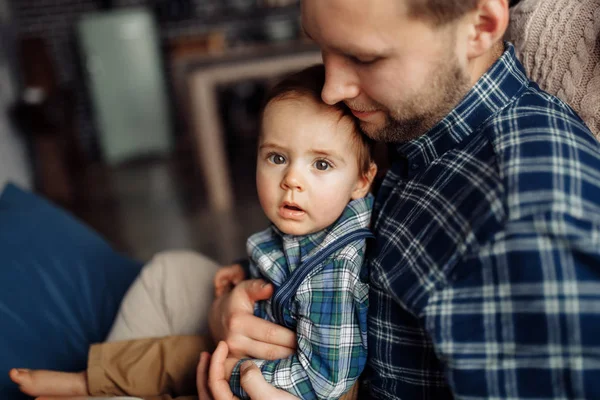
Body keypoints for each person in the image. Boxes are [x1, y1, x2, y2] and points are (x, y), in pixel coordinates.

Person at [203, 0, 600, 398]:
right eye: (322, 44)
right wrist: (230, 313)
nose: (332, 90)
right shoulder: (411, 117)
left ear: (480, 26)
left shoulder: (525, 221)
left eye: (364, 57)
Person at [9, 65, 377, 400]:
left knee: (187, 363)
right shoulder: (315, 218)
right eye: (277, 157)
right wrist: (242, 269)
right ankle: (86, 382)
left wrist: (239, 374)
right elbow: (285, 262)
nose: (292, 180)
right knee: (174, 354)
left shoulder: (334, 274)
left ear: (362, 180)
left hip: (286, 386)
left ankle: (96, 387)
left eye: (322, 164)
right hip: (263, 346)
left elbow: (326, 382)